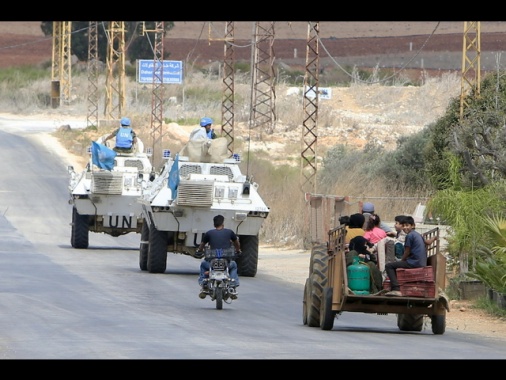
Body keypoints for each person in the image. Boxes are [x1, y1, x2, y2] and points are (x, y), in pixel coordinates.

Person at [196, 214, 241, 299]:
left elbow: (202, 245)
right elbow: (236, 243)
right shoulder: (229, 232)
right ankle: (232, 286)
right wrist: (238, 250)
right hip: (226, 263)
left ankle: (204, 285)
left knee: (203, 264)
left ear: (214, 224)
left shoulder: (209, 233)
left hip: (212, 263)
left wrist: (199, 251)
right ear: (223, 224)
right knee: (233, 265)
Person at [384, 215, 427, 296]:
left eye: (407, 225)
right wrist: (435, 238)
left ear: (413, 226)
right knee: (396, 265)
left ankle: (396, 288)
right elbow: (427, 242)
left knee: (389, 266)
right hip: (420, 262)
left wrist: (402, 260)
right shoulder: (417, 234)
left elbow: (407, 251)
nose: (405, 228)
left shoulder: (409, 236)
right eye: (403, 226)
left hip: (414, 262)